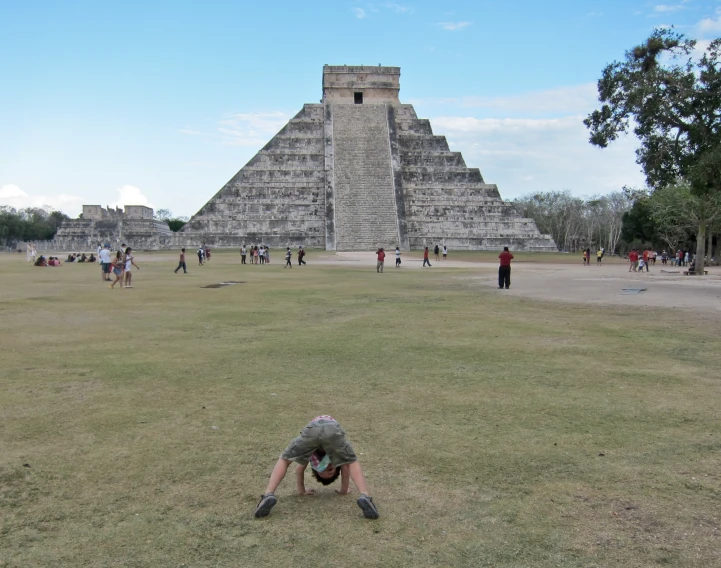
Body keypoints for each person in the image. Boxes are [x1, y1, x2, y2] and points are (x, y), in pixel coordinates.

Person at [254, 415, 379, 520]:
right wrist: (343, 490)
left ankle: (268, 495)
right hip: (332, 430)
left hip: (312, 430)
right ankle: (365, 495)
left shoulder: (312, 457)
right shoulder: (333, 457)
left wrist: (302, 491)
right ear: (336, 468)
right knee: (351, 461)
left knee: (285, 459)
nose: (326, 467)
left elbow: (299, 469)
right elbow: (346, 468)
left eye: (323, 470)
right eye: (329, 470)